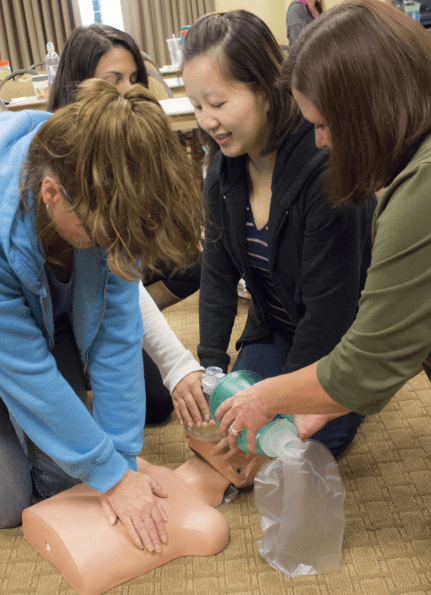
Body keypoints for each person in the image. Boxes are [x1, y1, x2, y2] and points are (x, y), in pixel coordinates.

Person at [213, 0, 431, 455]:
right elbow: (404, 327)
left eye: (326, 124)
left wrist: (268, 397)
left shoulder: (419, 190)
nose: (321, 140)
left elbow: (368, 357)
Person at [0, 79, 205, 551]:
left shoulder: (100, 190)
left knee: (66, 485)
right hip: (13, 340)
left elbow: (117, 338)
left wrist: (123, 465)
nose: (115, 246)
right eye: (102, 234)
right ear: (51, 194)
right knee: (10, 504)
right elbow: (26, 367)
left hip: (49, 324)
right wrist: (109, 477)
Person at [182, 10, 376, 458]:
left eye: (218, 102)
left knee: (291, 446)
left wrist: (282, 401)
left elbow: (331, 311)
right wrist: (211, 365)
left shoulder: (324, 168)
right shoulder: (222, 172)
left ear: (267, 91)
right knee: (233, 428)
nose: (207, 120)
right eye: (197, 106)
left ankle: (355, 396)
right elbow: (216, 274)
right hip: (277, 324)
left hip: (338, 341)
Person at [47, 23, 206, 428]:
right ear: (77, 87)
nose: (125, 93)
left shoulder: (130, 147)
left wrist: (177, 364)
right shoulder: (52, 162)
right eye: (111, 81)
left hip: (99, 288)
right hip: (47, 317)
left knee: (153, 402)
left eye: (134, 79)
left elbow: (116, 269)